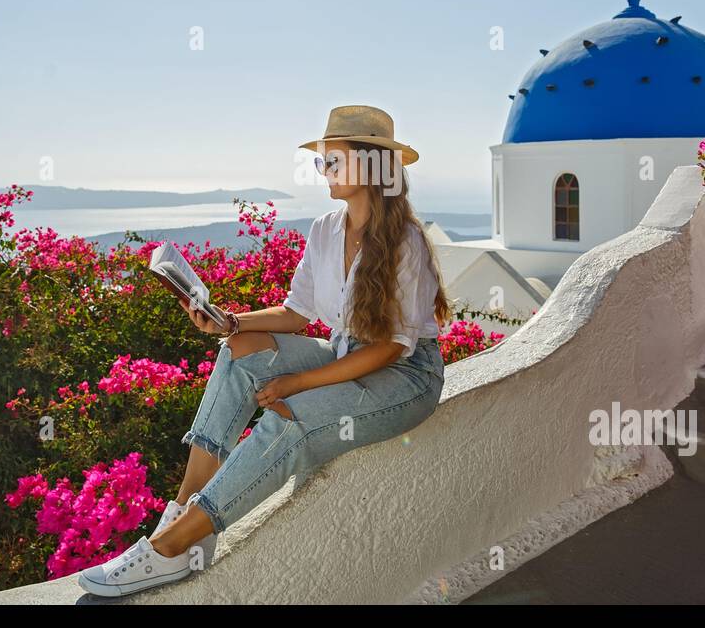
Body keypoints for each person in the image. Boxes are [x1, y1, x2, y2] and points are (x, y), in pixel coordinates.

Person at [78, 104, 452, 597]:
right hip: (346, 353)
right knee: (238, 348)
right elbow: (296, 314)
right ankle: (187, 512)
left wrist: (296, 383)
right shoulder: (325, 229)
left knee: (289, 418)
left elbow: (387, 349)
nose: (324, 173)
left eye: (332, 162)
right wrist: (229, 320)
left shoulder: (406, 242)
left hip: (404, 376)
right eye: (322, 162)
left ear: (367, 166)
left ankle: (170, 546)